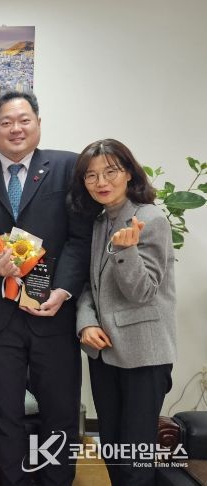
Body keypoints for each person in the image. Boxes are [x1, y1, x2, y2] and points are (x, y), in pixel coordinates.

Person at [0, 91, 92, 485]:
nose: (16, 128)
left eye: (24, 120)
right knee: (4, 413)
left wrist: (63, 291)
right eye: (6, 122)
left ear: (38, 124)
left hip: (53, 313)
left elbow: (80, 238)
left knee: (60, 410)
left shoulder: (68, 167)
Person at [70, 139, 175, 485]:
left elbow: (143, 291)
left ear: (129, 172)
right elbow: (90, 285)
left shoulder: (151, 218)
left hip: (143, 354)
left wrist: (126, 253)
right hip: (105, 351)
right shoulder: (100, 222)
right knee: (113, 450)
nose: (101, 182)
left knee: (135, 457)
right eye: (91, 175)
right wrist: (86, 323)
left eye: (110, 171)